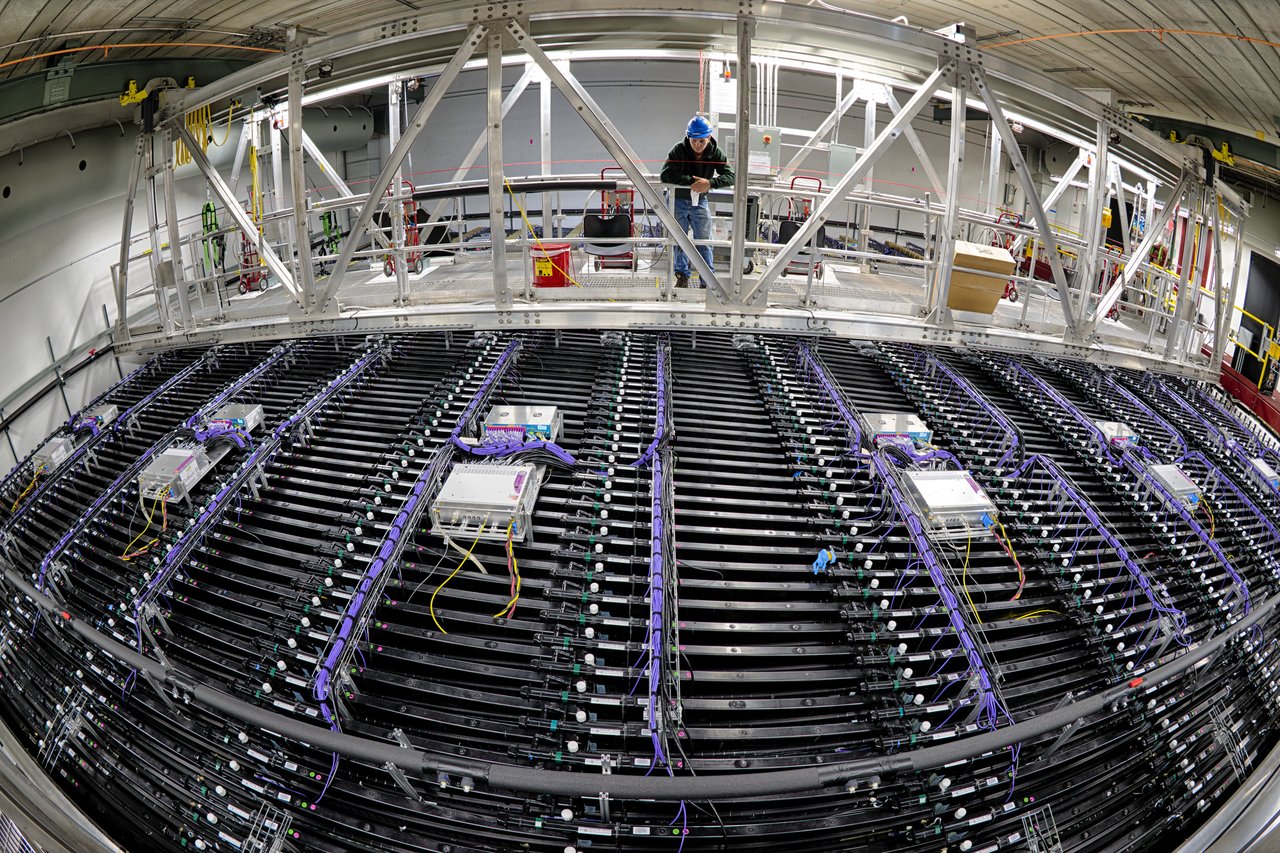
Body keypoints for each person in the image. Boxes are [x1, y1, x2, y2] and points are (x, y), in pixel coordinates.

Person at [660, 116, 734, 288]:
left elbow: (731, 176)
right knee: (679, 240)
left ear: (709, 138)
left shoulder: (715, 152)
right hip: (678, 199)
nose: (697, 145)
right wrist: (691, 181)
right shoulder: (679, 150)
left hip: (700, 201)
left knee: (704, 241)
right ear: (688, 137)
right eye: (693, 141)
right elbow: (665, 175)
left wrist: (710, 183)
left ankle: (707, 279)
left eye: (701, 141)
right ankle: (682, 276)